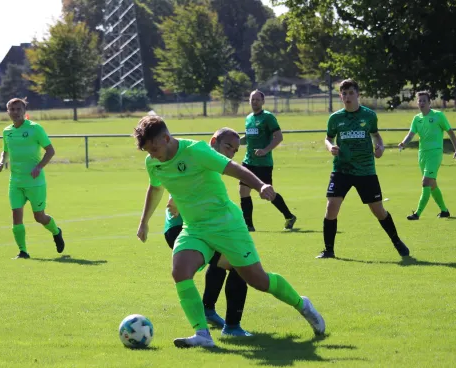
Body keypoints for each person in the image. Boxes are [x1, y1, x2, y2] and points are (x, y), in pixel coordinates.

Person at [134, 116, 325, 348]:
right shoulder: (152, 162)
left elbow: (233, 167)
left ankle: (301, 304)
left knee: (259, 281)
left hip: (227, 225)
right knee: (180, 271)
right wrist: (144, 222)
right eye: (148, 151)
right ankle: (202, 334)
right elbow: (155, 188)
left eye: (154, 148)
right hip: (195, 228)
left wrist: (260, 185)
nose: (152, 155)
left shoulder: (196, 151)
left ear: (166, 138)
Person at [163, 128, 250, 337]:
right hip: (183, 230)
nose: (230, 153)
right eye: (228, 147)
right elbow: (181, 183)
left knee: (222, 262)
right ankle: (232, 327)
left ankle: (208, 310)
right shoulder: (199, 154)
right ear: (214, 141)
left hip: (199, 229)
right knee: (240, 265)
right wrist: (173, 200)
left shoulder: (209, 161)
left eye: (235, 151)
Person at [316, 79, 409, 259]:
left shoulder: (369, 116)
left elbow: (376, 136)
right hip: (341, 169)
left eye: (351, 93)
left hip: (365, 170)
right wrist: (330, 147)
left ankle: (397, 241)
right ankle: (328, 250)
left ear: (358, 94)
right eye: (344, 93)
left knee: (378, 211)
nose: (348, 97)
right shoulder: (335, 118)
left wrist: (380, 147)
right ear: (340, 96)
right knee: (331, 207)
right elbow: (328, 138)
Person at [0, 98, 65, 259]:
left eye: (18, 109)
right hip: (16, 182)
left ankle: (56, 231)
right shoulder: (7, 131)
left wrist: (39, 167)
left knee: (39, 217)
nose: (15, 112)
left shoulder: (35, 129)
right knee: (16, 216)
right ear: (8, 112)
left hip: (35, 182)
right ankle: (23, 251)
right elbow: (5, 151)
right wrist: (1, 162)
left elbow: (50, 151)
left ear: (24, 110)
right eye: (12, 109)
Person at [398, 91, 456, 220]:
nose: (421, 103)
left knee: (425, 182)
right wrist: (404, 143)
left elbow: (451, 133)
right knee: (432, 184)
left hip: (435, 153)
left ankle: (417, 214)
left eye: (423, 101)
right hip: (422, 154)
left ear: (429, 102)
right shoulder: (417, 119)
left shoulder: (438, 116)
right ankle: (444, 211)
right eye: (419, 101)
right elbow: (411, 134)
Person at [239, 90, 297, 232]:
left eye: (258, 99)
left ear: (263, 102)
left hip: (263, 163)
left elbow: (278, 137)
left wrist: (265, 150)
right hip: (248, 161)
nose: (255, 102)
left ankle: (289, 216)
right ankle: (249, 226)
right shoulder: (248, 118)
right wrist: (233, 141)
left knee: (267, 194)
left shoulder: (268, 117)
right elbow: (248, 137)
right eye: (252, 99)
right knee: (243, 191)